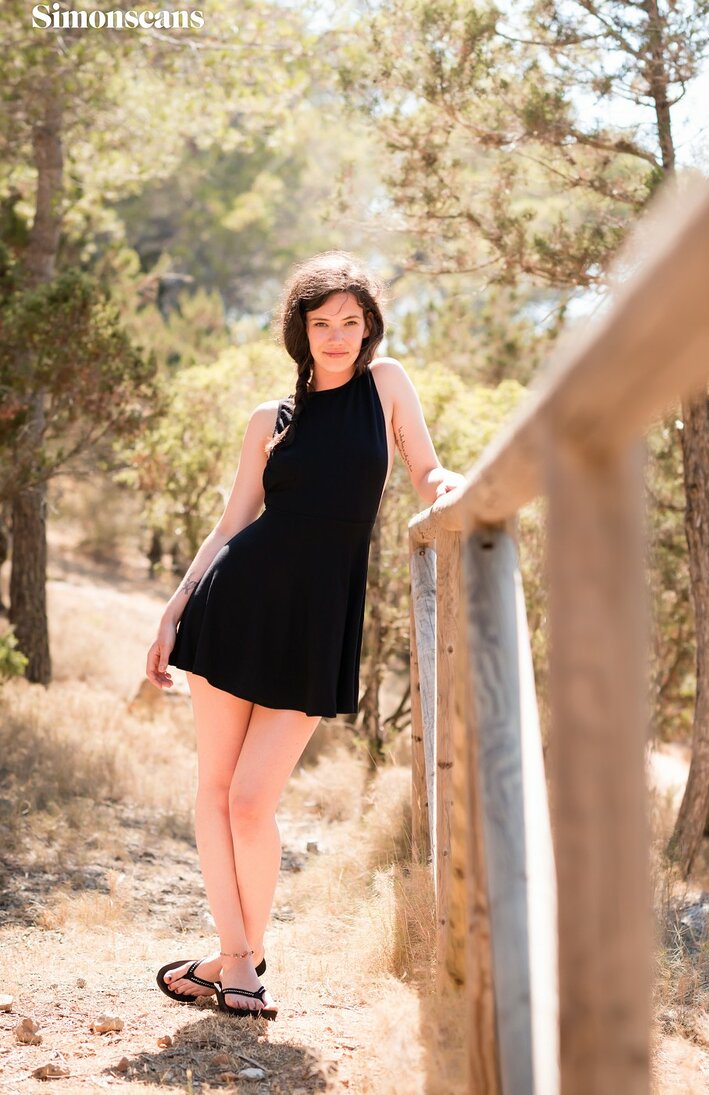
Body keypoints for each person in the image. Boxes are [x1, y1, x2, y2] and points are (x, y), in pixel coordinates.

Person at [146, 251, 465, 1019]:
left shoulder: (387, 386)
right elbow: (233, 522)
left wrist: (450, 485)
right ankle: (239, 963)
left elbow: (424, 469)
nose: (337, 336)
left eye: (351, 321)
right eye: (322, 323)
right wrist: (174, 607)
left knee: (253, 800)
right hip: (235, 608)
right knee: (217, 791)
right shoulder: (271, 419)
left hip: (318, 620)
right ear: (302, 331)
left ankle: (231, 959)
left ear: (370, 326)